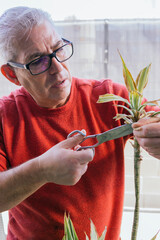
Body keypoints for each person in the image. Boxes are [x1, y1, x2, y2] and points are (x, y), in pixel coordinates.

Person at [0, 6, 159, 240]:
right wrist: (42, 170)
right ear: (12, 75)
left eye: (59, 50)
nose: (58, 68)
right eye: (37, 61)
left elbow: (155, 119)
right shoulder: (5, 118)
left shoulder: (111, 98)